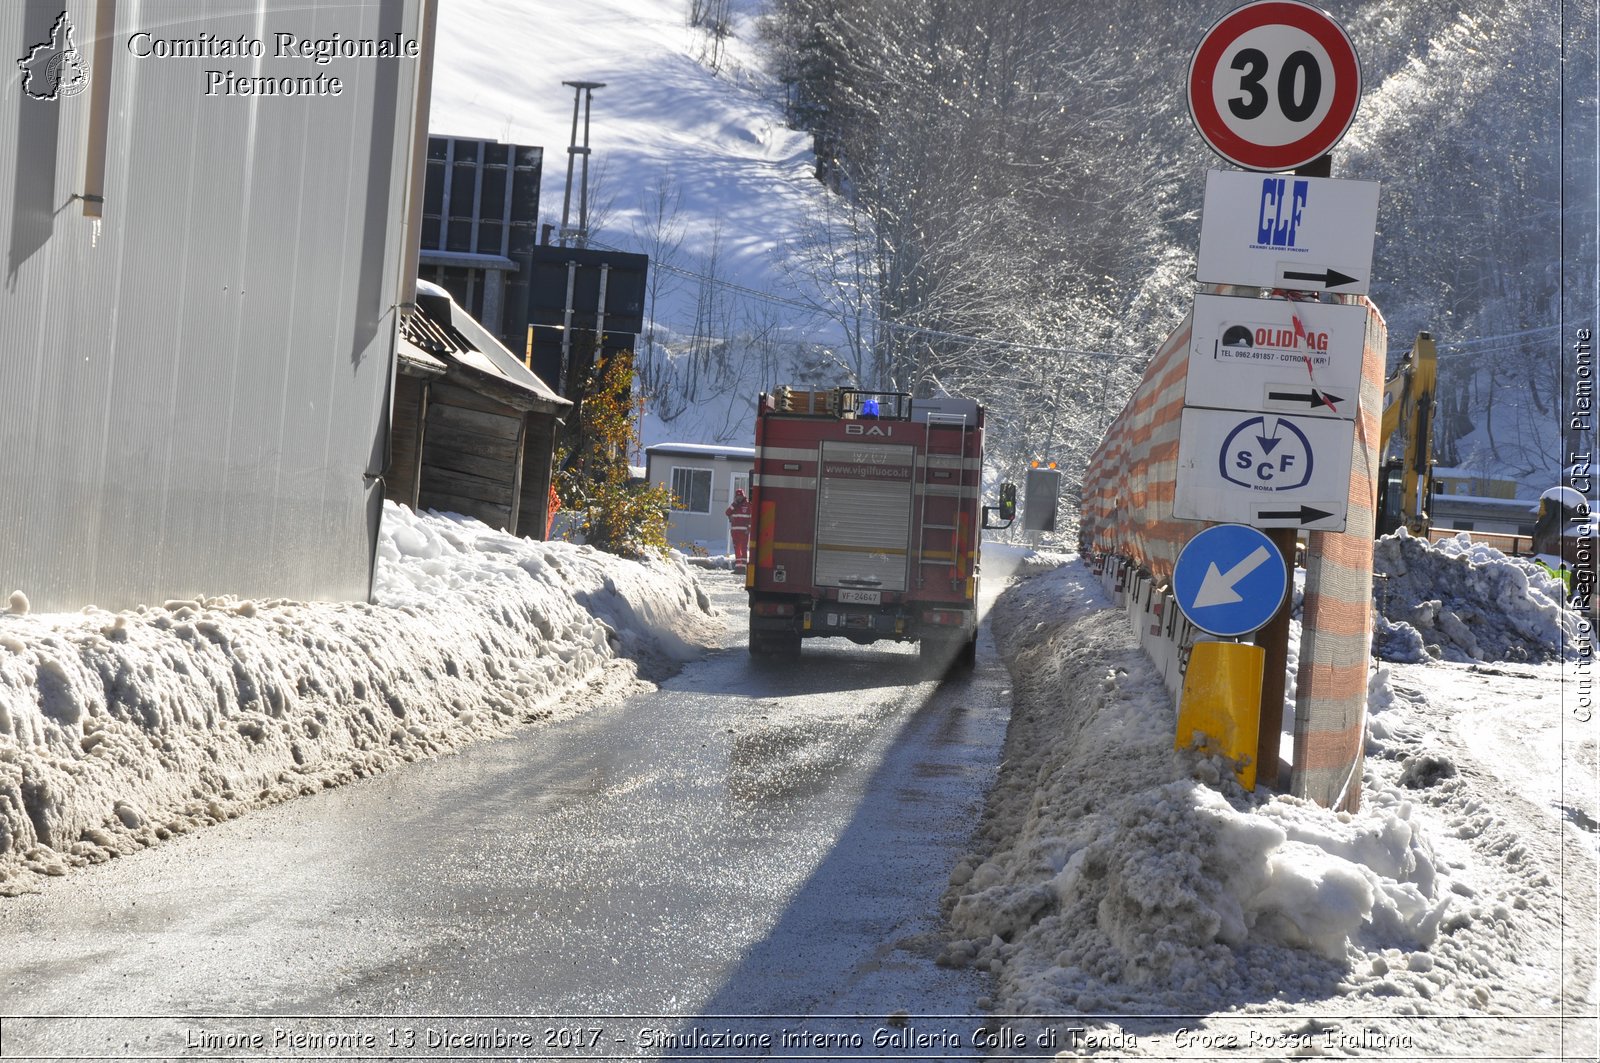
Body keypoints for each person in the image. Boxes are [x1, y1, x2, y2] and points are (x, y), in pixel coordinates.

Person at [725, 488, 752, 564]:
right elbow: (727, 512)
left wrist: (749, 528)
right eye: (737, 496)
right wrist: (734, 504)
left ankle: (743, 566)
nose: (739, 497)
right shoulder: (734, 505)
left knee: (743, 548)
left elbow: (751, 517)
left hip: (744, 532)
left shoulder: (748, 505)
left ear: (743, 496)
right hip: (735, 532)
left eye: (740, 496)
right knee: (737, 548)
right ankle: (738, 566)